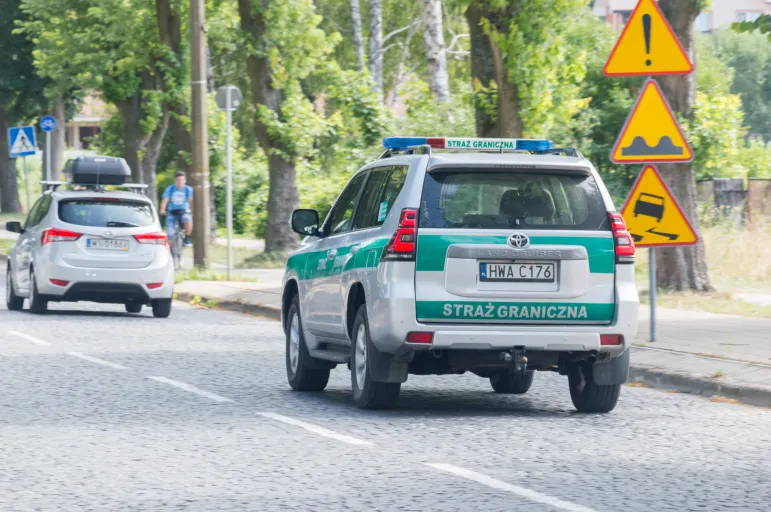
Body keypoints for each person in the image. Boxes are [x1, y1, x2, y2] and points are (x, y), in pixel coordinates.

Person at [160, 171, 193, 247]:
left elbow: (191, 201)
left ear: (185, 181)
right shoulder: (170, 189)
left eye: (182, 180)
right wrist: (162, 209)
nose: (180, 182)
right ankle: (169, 253)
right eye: (178, 180)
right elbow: (165, 200)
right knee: (170, 234)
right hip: (172, 212)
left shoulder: (188, 189)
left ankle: (186, 238)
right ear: (175, 181)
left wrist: (191, 210)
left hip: (183, 212)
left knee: (188, 219)